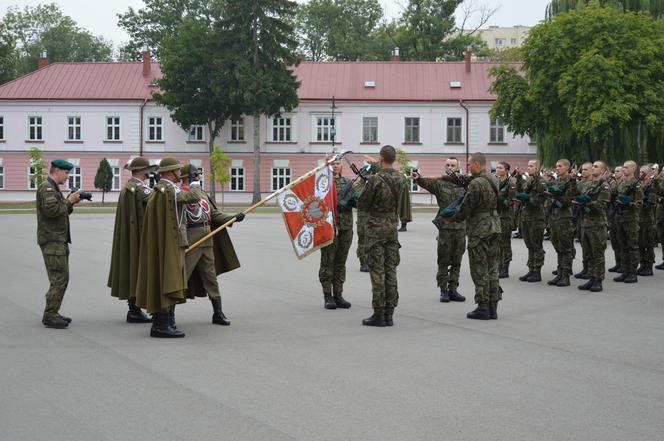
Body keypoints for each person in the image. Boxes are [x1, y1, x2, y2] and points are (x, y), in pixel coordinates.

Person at [135, 157, 201, 338]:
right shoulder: (168, 190)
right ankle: (163, 324)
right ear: (171, 172)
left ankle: (163, 321)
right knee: (169, 279)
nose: (181, 173)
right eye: (178, 170)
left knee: (167, 279)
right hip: (171, 243)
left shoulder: (163, 189)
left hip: (170, 241)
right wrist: (195, 182)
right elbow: (194, 197)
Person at [440, 152, 501, 320]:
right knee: (492, 268)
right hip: (494, 227)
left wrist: (451, 217)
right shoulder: (493, 179)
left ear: (476, 164)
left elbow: (465, 208)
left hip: (479, 230)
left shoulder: (476, 184)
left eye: (469, 164)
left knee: (479, 268)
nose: (467, 167)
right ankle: (492, 307)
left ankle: (482, 307)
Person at [180, 165, 244, 325]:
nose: (199, 177)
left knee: (211, 277)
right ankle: (167, 313)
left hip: (207, 239)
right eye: (196, 174)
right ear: (188, 176)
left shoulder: (201, 193)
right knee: (181, 277)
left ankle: (218, 313)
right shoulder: (181, 193)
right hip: (191, 240)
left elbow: (213, 214)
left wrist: (232, 218)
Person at [357, 146, 408, 327]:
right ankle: (389, 313)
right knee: (390, 270)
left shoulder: (376, 180)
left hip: (375, 229)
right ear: (393, 159)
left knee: (377, 271)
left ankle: (379, 313)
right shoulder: (401, 179)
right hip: (392, 228)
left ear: (380, 158)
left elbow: (362, 203)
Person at [107, 156, 156, 323]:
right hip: (137, 237)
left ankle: (134, 309)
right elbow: (155, 199)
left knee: (133, 270)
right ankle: (134, 311)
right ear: (143, 171)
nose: (150, 173)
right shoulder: (137, 188)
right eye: (148, 171)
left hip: (132, 236)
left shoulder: (130, 187)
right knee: (137, 270)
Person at [412, 157, 467, 302]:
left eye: (453, 165)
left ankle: (453, 289)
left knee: (457, 260)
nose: (450, 167)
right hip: (445, 228)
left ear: (458, 167)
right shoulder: (440, 184)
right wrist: (418, 178)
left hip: (461, 227)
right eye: (448, 165)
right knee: (443, 260)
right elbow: (426, 183)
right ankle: (443, 290)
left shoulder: (465, 184)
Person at [36, 159, 83, 328]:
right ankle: (50, 314)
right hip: (52, 241)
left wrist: (71, 203)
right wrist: (69, 201)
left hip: (57, 240)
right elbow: (51, 211)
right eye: (67, 173)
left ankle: (53, 311)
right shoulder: (47, 188)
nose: (68, 177)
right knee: (59, 278)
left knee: (61, 277)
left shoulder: (53, 188)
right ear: (57, 171)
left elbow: (60, 212)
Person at [319, 159, 354, 309]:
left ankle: (338, 294)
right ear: (327, 165)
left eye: (338, 163)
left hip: (345, 227)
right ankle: (327, 295)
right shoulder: (321, 184)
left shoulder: (348, 182)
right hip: (329, 228)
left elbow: (358, 201)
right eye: (332, 163)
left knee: (340, 262)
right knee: (328, 262)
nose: (335, 166)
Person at [574, 161, 611, 292]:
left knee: (598, 254)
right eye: (593, 166)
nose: (593, 168)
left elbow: (602, 205)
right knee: (588, 253)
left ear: (602, 170)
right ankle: (591, 277)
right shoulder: (589, 184)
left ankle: (598, 280)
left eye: (596, 167)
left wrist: (588, 202)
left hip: (597, 224)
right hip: (585, 223)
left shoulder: (604, 186)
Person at [545, 159, 577, 287]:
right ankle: (560, 272)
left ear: (567, 168)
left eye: (560, 166)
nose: (557, 168)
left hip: (564, 217)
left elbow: (568, 200)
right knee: (557, 245)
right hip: (554, 216)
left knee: (565, 247)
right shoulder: (556, 181)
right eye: (556, 166)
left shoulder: (571, 181)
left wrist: (556, 196)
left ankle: (566, 275)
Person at [612, 160, 643, 283]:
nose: (624, 169)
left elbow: (639, 204)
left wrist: (628, 203)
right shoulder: (621, 183)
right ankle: (625, 270)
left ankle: (632, 272)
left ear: (633, 169)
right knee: (622, 246)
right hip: (620, 218)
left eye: (626, 167)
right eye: (623, 167)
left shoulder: (636, 185)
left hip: (631, 219)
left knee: (632, 247)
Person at [515, 160, 546, 282]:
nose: (529, 168)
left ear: (538, 168)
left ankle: (537, 271)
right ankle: (531, 269)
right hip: (526, 217)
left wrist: (528, 199)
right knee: (529, 245)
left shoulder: (541, 181)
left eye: (532, 166)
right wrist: (518, 177)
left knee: (536, 245)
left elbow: (540, 199)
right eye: (528, 166)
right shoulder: (529, 180)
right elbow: (521, 189)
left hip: (536, 218)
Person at [496, 162, 516, 278]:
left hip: (505, 217)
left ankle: (505, 267)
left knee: (505, 243)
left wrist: (501, 200)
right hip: (496, 216)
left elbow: (511, 202)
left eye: (500, 168)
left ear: (507, 170)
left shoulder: (511, 183)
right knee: (497, 243)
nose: (497, 170)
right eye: (497, 167)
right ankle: (498, 265)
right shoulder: (496, 182)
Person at [637, 165, 657, 276]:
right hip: (638, 218)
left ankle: (649, 266)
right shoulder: (639, 184)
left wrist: (640, 200)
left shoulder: (652, 185)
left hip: (648, 219)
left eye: (643, 172)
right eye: (640, 172)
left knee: (648, 243)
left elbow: (651, 203)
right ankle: (642, 264)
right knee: (640, 243)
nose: (641, 174)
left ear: (649, 173)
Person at [607, 165, 624, 273]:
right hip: (613, 215)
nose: (615, 173)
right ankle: (618, 263)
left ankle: (623, 264)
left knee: (622, 241)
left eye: (618, 171)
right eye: (615, 171)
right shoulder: (613, 183)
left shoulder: (624, 184)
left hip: (621, 215)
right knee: (615, 241)